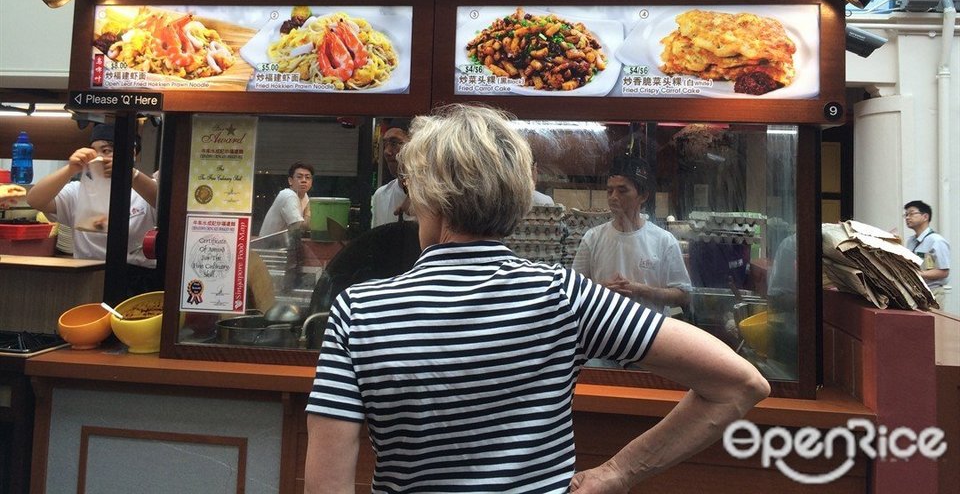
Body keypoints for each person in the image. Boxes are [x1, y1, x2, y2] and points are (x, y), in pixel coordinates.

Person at [304, 104, 769, 493]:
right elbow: (739, 383)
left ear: (429, 195)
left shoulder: (359, 311)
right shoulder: (561, 294)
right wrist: (618, 472)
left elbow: (326, 485)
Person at [26, 123, 159, 295]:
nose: (99, 158)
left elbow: (165, 204)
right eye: (93, 152)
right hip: (87, 278)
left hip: (137, 281)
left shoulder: (143, 190)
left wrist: (131, 174)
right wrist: (71, 168)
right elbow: (35, 200)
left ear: (132, 154)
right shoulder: (77, 191)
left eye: (106, 151)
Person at [572, 157, 692, 316]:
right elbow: (574, 290)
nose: (613, 197)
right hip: (603, 327)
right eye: (609, 191)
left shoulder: (664, 240)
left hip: (649, 328)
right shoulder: (592, 238)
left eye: (622, 191)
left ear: (643, 196)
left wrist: (642, 290)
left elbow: (684, 296)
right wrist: (600, 290)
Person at [903, 200, 951, 307]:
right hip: (915, 291)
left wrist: (917, 274)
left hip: (932, 292)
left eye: (911, 214)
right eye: (906, 215)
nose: (907, 217)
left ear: (925, 217)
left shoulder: (937, 241)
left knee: (932, 318)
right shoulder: (911, 241)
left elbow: (944, 272)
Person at [370, 125, 416, 226]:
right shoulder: (381, 196)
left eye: (394, 143)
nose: (387, 152)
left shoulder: (433, 197)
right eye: (385, 144)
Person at [259, 162, 314, 237]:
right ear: (290, 181)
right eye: (299, 177)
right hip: (268, 243)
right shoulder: (288, 195)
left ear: (311, 182)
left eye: (307, 177)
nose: (304, 180)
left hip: (285, 242)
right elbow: (300, 228)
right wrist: (309, 210)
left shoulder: (305, 196)